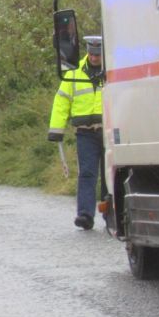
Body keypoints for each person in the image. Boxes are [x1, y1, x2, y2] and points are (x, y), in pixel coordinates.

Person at [48, 35, 105, 230]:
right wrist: (56, 129)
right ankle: (85, 214)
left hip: (109, 131)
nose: (94, 57)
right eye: (91, 53)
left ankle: (112, 214)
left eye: (98, 54)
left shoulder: (112, 71)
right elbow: (62, 100)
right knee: (87, 173)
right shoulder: (74, 73)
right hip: (85, 133)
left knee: (109, 175)